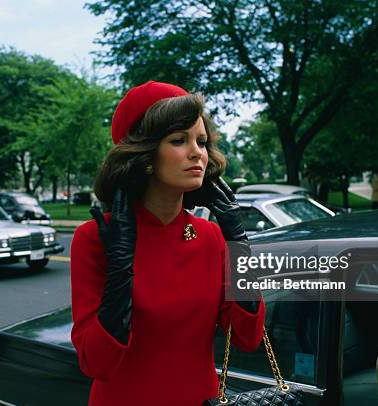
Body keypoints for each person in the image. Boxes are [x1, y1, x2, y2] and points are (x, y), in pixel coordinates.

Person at [70, 81, 265, 405]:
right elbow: (96, 363)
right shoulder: (95, 239)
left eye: (201, 142)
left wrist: (238, 242)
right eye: (179, 140)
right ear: (145, 156)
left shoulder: (210, 235)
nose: (197, 153)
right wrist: (120, 271)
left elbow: (247, 338)